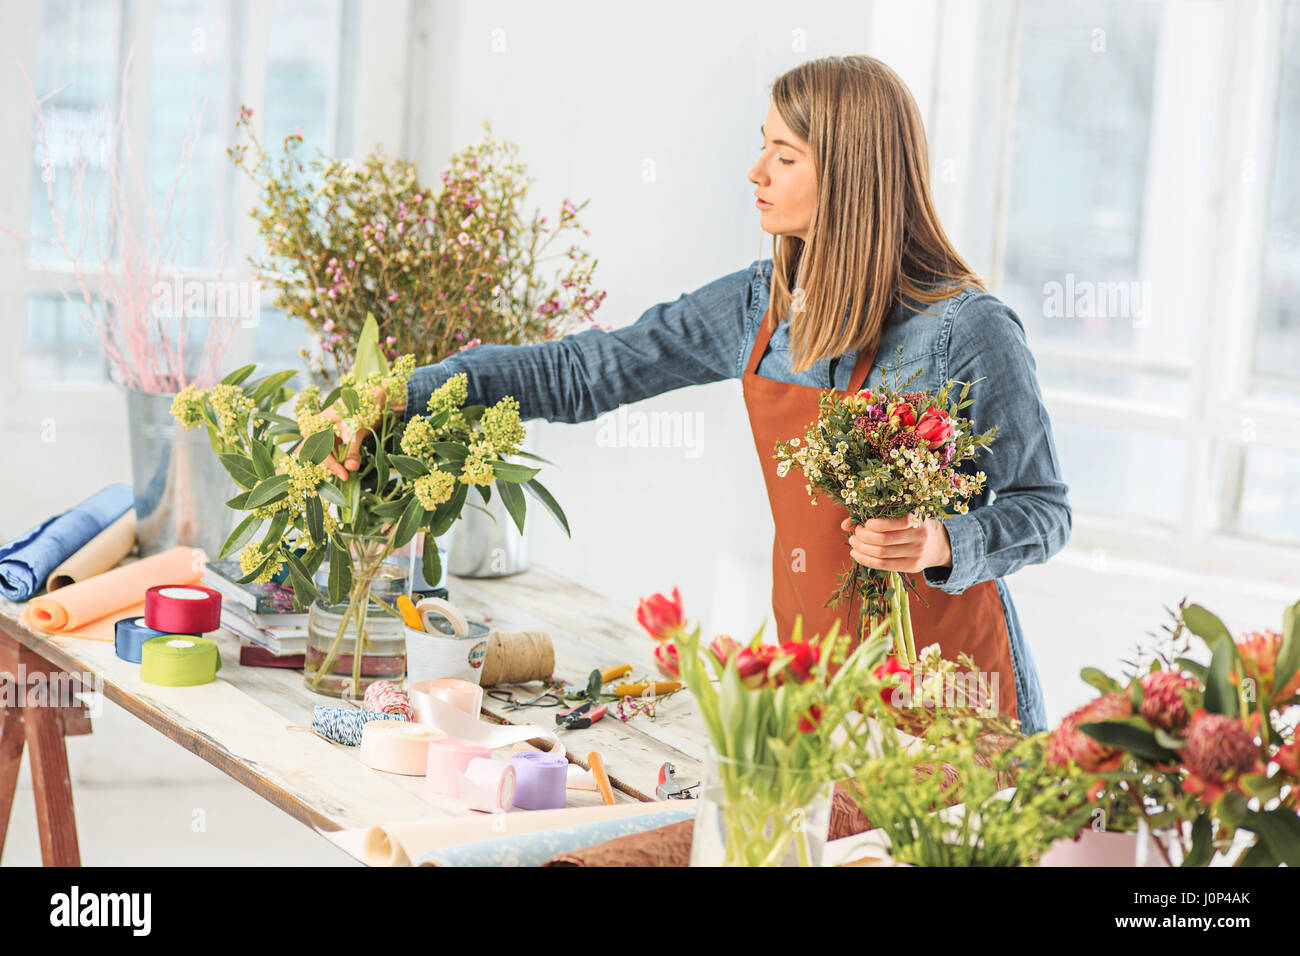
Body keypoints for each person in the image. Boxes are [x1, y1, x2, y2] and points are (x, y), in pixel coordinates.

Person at [327, 55, 1069, 734]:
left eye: (784, 156)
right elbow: (585, 371)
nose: (756, 171)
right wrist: (404, 394)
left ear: (851, 174)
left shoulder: (967, 331)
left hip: (959, 697)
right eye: (762, 146)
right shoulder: (762, 306)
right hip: (819, 692)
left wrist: (942, 539)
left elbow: (1044, 508)